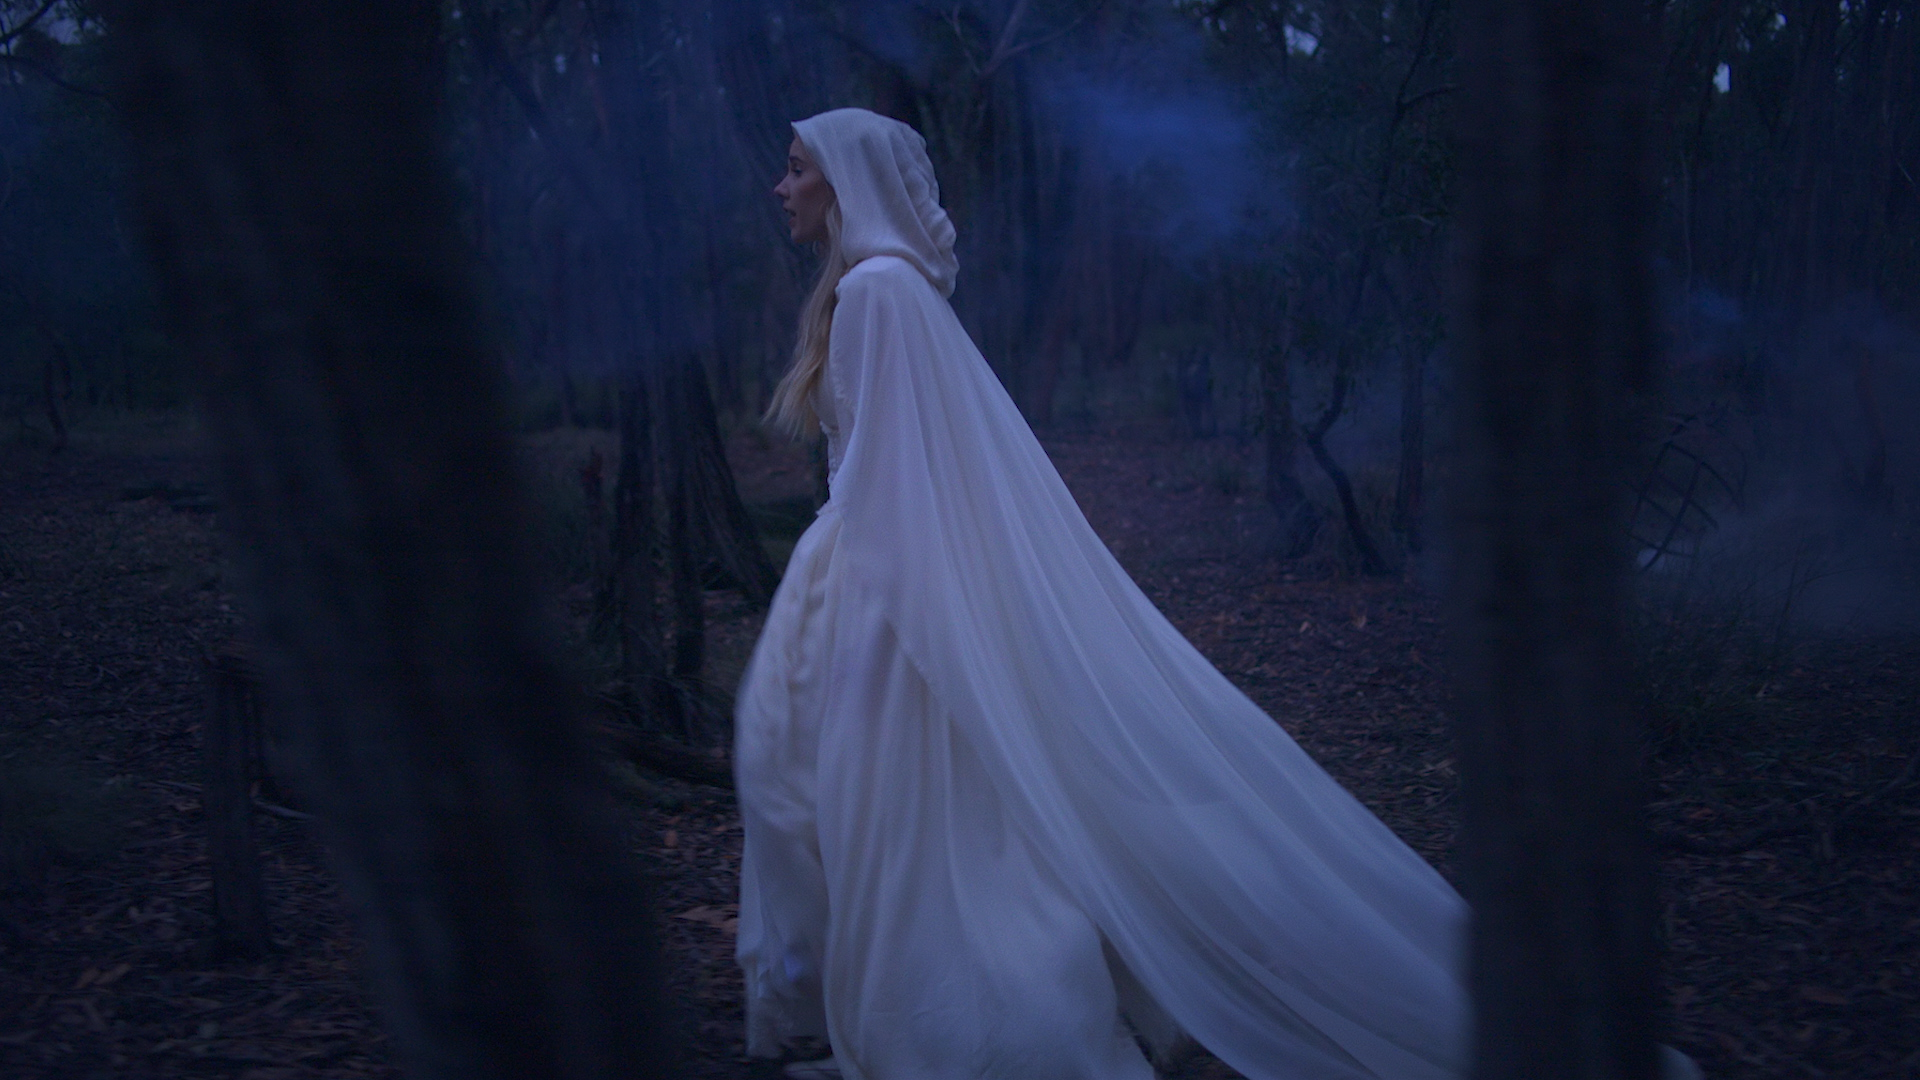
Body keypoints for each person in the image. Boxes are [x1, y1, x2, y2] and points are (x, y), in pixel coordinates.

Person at [734, 107, 1697, 1080]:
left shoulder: (879, 294)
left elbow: (897, 476)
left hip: (883, 586)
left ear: (846, 183)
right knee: (883, 807)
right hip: (872, 578)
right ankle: (925, 1000)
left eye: (798, 168)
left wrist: (882, 612)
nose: (782, 187)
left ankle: (970, 1018)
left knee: (894, 816)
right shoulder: (880, 290)